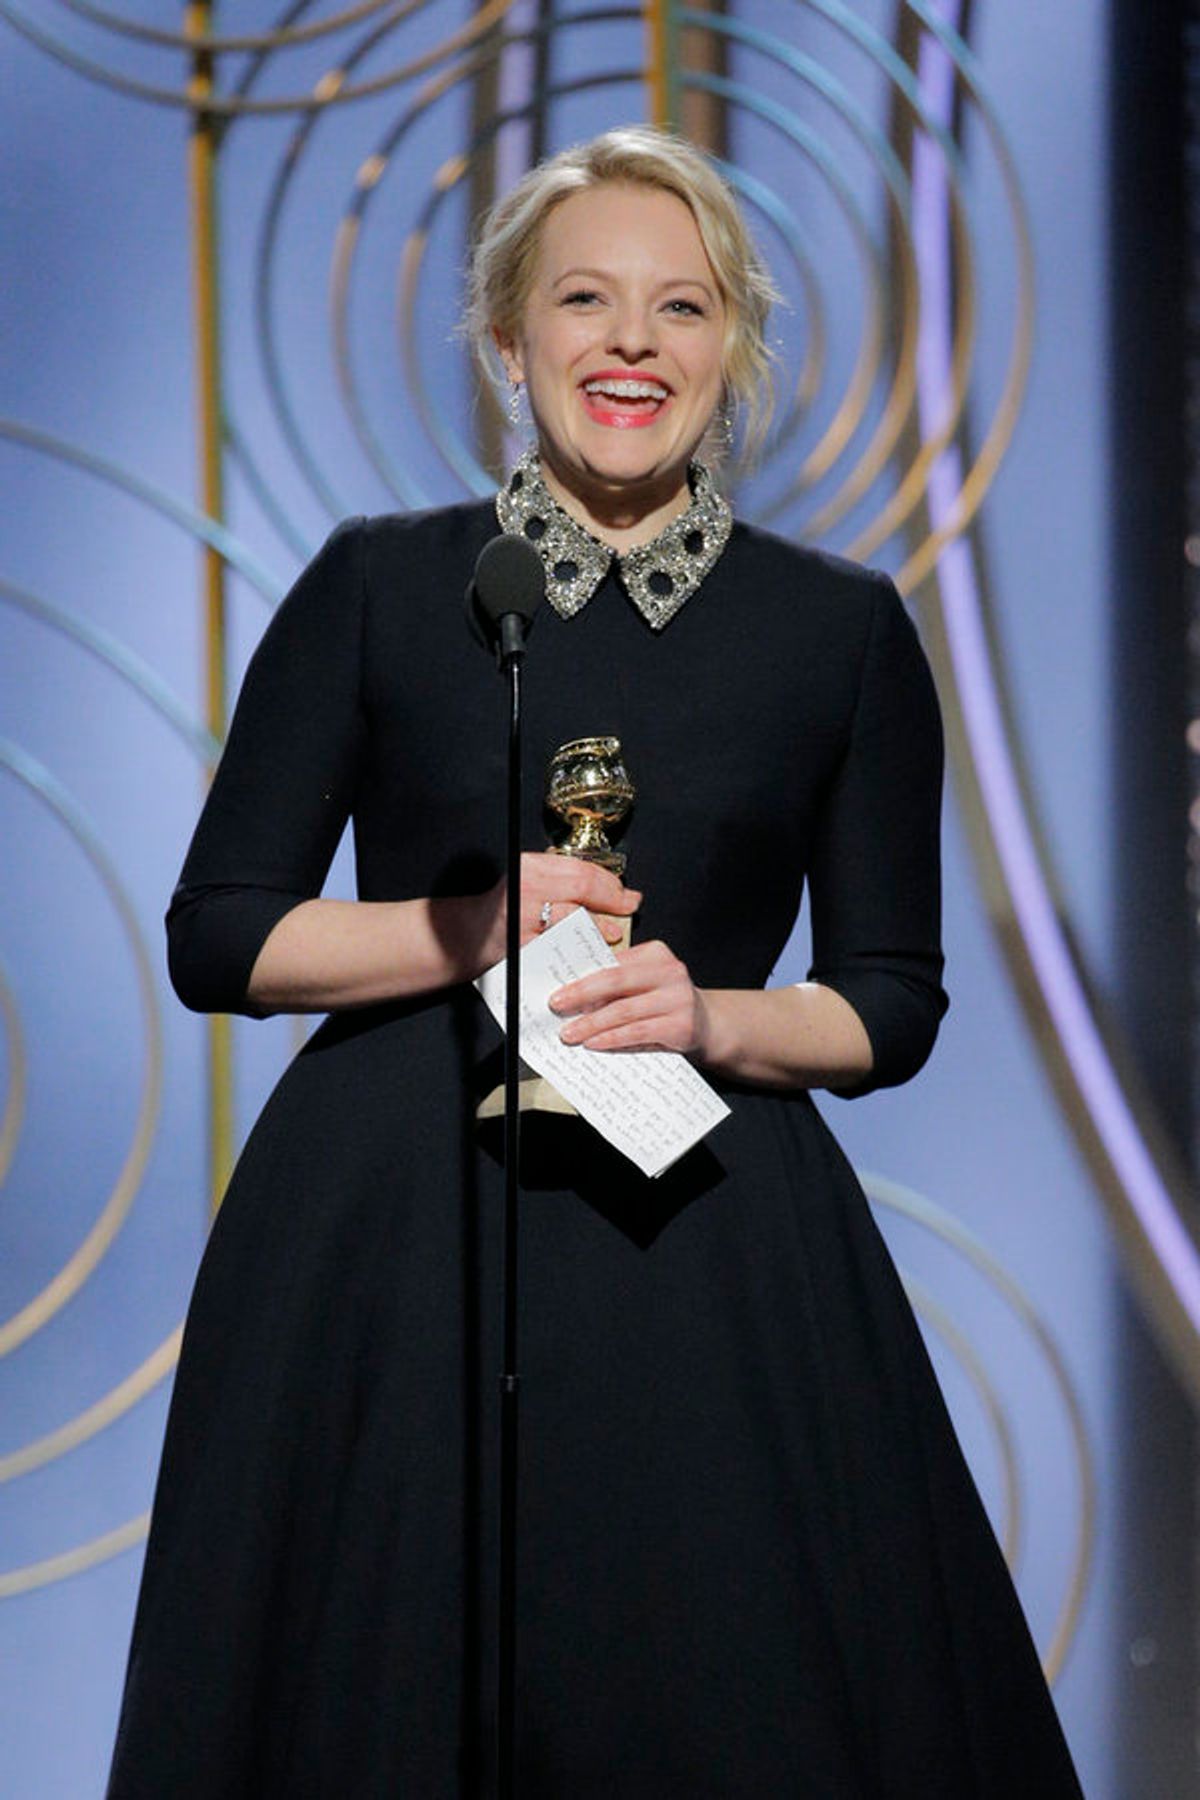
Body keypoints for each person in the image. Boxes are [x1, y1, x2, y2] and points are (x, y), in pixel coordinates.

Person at [108, 126, 1082, 1797]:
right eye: (585, 301)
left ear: (733, 353)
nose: (633, 343)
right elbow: (222, 932)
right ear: (510, 343)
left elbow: (895, 999)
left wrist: (710, 1011)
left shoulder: (840, 628)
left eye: (683, 308)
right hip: (385, 1250)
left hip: (702, 1248)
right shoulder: (380, 584)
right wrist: (456, 928)